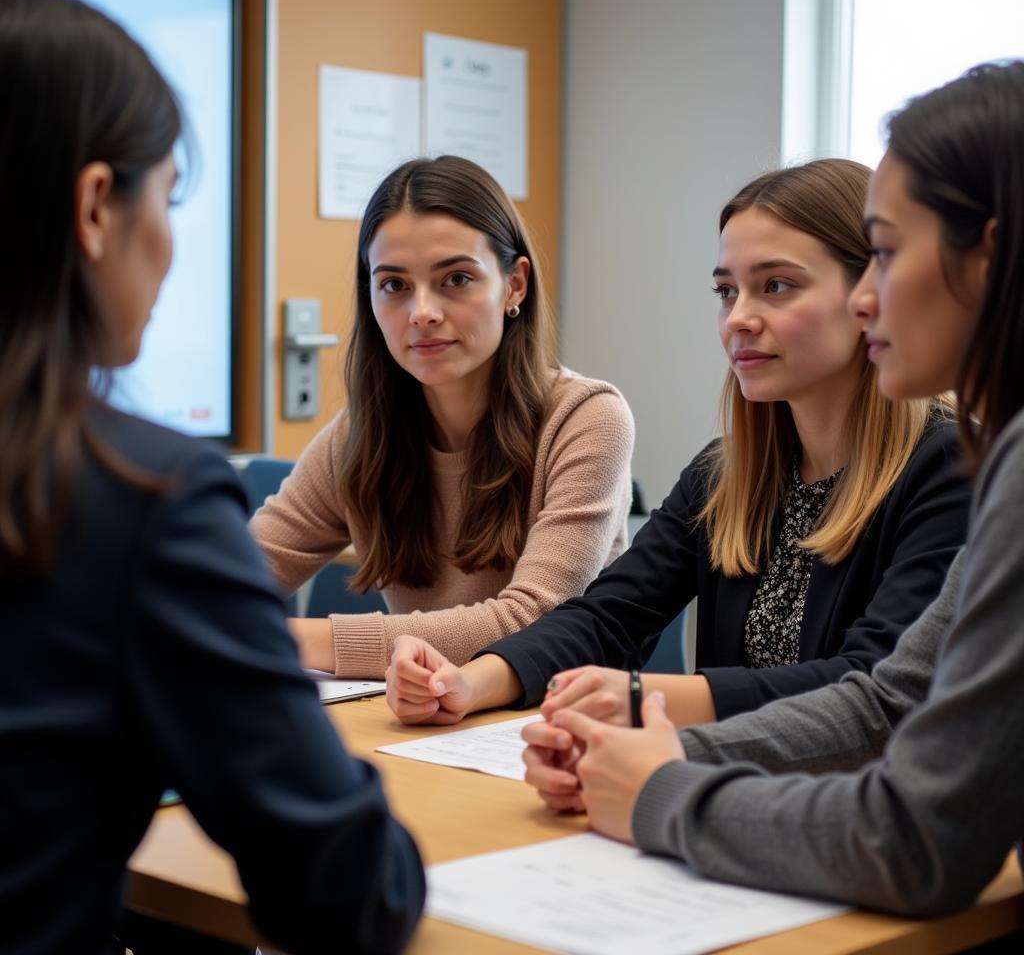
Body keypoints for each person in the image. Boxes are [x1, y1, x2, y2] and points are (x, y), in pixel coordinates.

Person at [526, 61, 1024, 918]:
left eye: (887, 256)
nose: (869, 298)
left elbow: (913, 836)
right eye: (727, 291)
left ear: (990, 251)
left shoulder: (972, 461)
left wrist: (661, 786)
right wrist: (667, 754)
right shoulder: (737, 466)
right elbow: (888, 702)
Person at [0, 0, 423, 954]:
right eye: (171, 197)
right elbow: (345, 894)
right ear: (98, 207)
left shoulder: (583, 415)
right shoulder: (138, 494)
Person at [385, 158, 969, 728]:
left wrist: (644, 699)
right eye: (726, 291)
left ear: (870, 294)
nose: (739, 317)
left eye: (777, 286)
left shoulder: (949, 467)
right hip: (734, 790)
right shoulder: (725, 474)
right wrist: (466, 682)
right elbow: (606, 617)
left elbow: (870, 686)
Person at [250, 155, 634, 678]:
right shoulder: (361, 434)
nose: (422, 312)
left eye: (455, 279)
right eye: (394, 285)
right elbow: (231, 583)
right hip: (419, 724)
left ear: (514, 285)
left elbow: (532, 620)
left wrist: (282, 637)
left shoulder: (587, 419)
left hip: (548, 727)